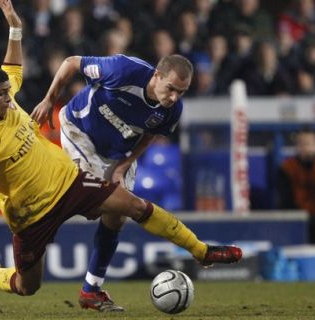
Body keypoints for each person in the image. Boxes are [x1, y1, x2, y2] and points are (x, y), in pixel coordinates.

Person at [0, 0, 242, 311]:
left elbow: (12, 68)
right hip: (31, 209)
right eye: (2, 95)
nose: (11, 99)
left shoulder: (4, 94)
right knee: (28, 286)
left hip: (67, 180)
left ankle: (200, 252)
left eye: (8, 92)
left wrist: (15, 26)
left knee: (131, 206)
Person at [30, 39, 200, 312]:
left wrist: (124, 164)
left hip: (118, 151)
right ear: (157, 75)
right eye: (171, 89)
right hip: (80, 132)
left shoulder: (172, 111)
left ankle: (91, 291)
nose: (174, 97)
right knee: (93, 202)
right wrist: (49, 99)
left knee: (117, 215)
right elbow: (71, 62)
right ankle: (30, 236)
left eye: (182, 92)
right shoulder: (123, 70)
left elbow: (149, 134)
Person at [277, 127, 315, 243]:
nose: (306, 148)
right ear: (296, 147)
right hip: (296, 223)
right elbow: (285, 202)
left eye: (309, 144)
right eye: (302, 144)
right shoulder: (286, 169)